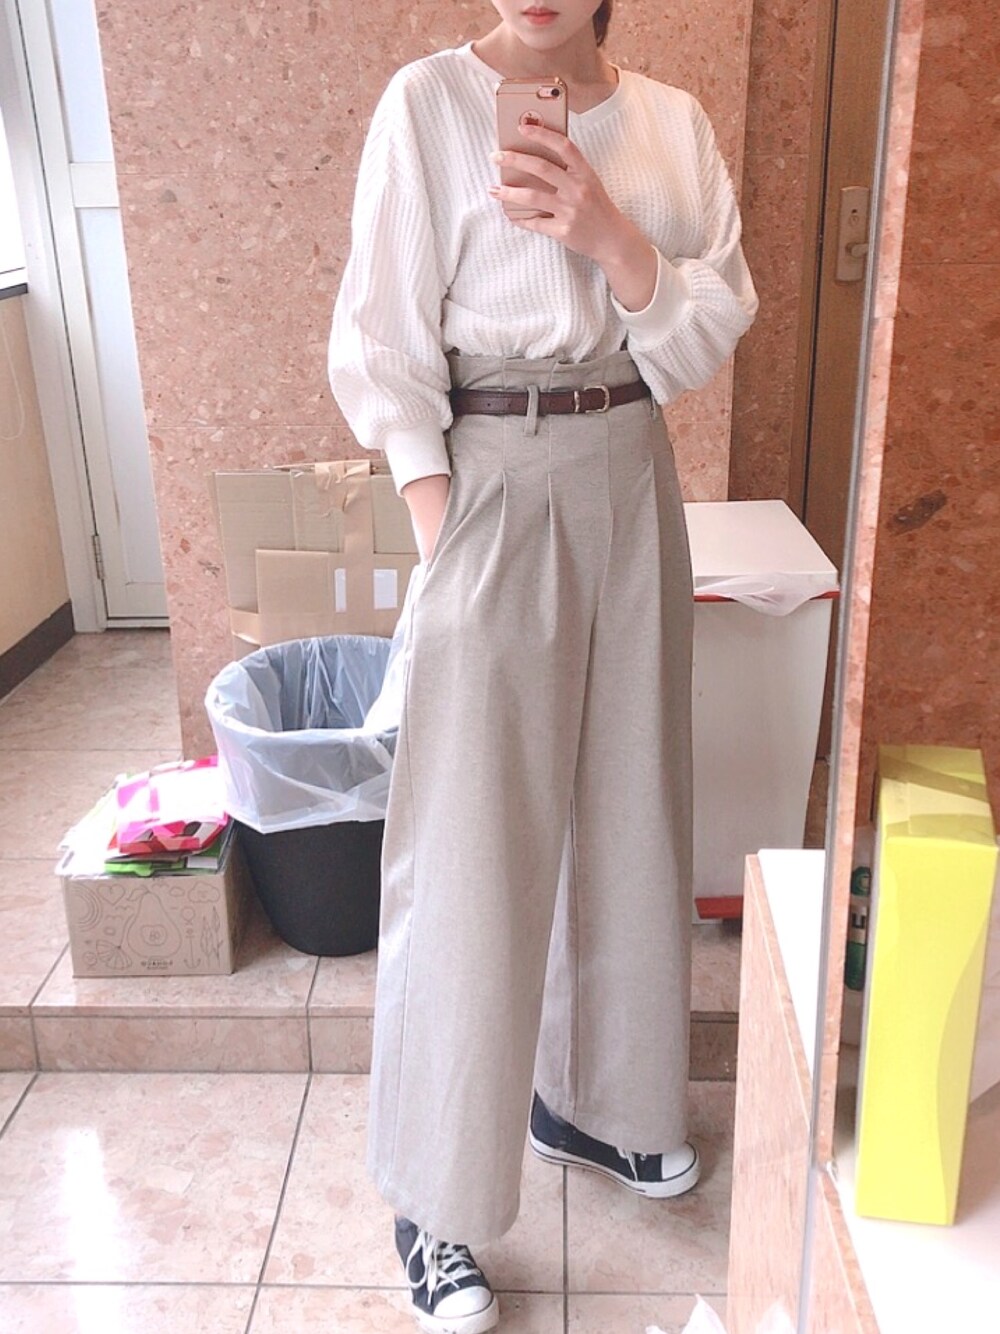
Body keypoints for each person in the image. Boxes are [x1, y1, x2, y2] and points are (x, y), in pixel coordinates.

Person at [329, 1, 757, 1328]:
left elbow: (709, 328)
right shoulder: (428, 105)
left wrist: (613, 238)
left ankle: (600, 1105)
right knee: (470, 844)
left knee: (634, 807)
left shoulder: (673, 125)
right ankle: (436, 1200)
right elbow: (381, 340)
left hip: (629, 463)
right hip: (489, 472)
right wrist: (442, 528)